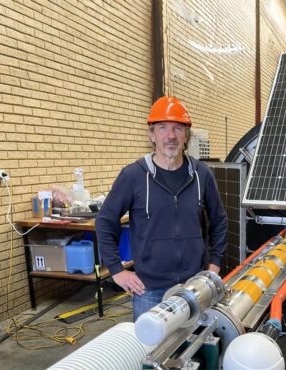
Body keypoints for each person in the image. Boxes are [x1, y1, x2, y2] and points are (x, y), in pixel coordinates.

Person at [96, 96, 228, 320]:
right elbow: (105, 222)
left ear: (186, 135)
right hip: (149, 290)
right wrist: (117, 271)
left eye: (178, 128)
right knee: (151, 352)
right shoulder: (133, 176)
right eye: (162, 128)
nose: (170, 136)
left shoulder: (201, 174)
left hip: (195, 286)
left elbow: (220, 221)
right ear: (151, 134)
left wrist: (214, 263)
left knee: (193, 347)